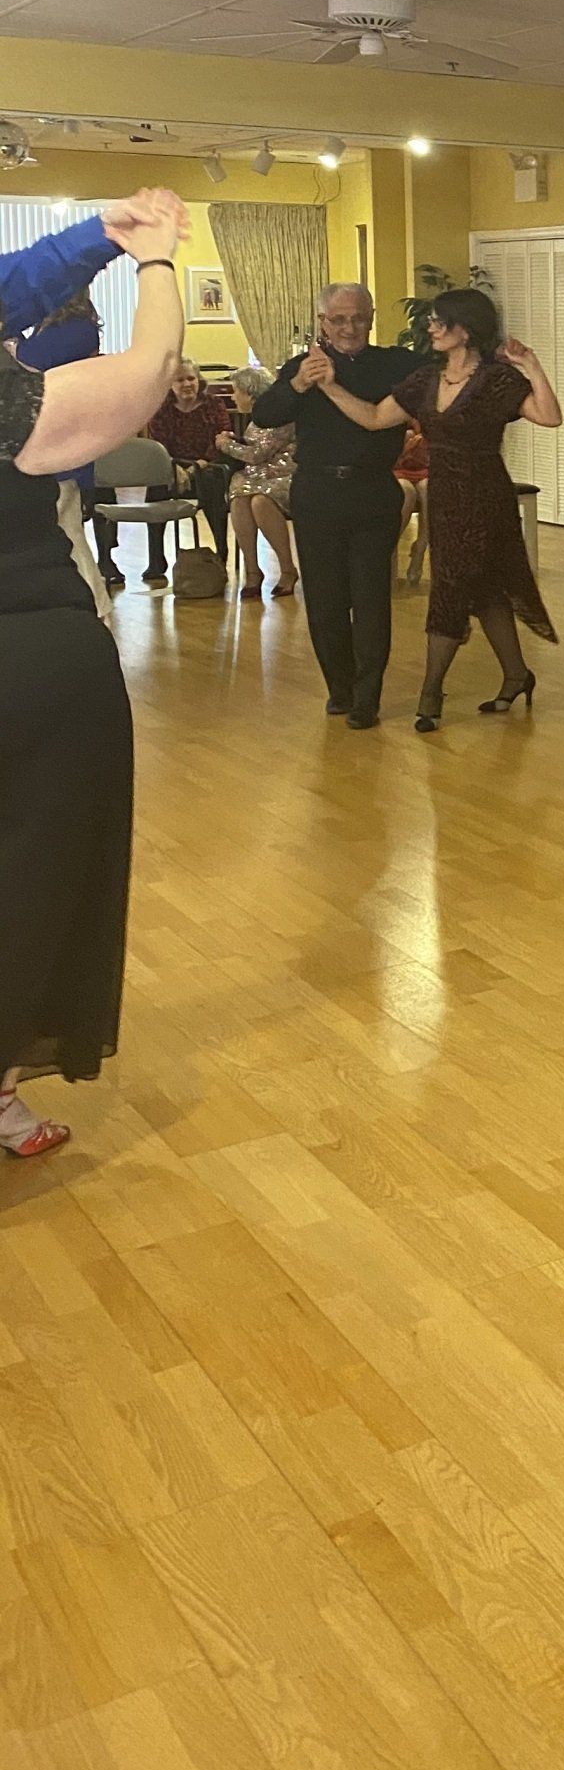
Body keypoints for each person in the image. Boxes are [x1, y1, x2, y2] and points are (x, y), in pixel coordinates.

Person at [0, 194, 187, 1159]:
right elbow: (151, 368)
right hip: (31, 661)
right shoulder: (19, 412)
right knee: (34, 878)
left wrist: (98, 237)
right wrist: (153, 260)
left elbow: (15, 284)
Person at [305, 290, 561, 732]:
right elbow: (373, 418)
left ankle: (430, 694)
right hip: (444, 498)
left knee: (451, 588)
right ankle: (517, 675)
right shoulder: (425, 379)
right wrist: (329, 385)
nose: (432, 328)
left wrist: (532, 367)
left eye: (441, 322)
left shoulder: (497, 379)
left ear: (466, 329)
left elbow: (549, 416)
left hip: (485, 498)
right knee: (486, 590)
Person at [254, 284, 420, 727]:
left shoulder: (394, 364)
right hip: (318, 491)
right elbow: (265, 414)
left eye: (358, 318)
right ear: (322, 323)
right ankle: (340, 689)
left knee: (370, 598)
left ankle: (368, 697)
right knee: (324, 600)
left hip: (373, 490)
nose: (349, 328)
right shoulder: (303, 366)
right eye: (339, 319)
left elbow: (429, 383)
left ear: (371, 318)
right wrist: (297, 384)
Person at [15, 287, 111, 614]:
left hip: (63, 443)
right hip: (51, 440)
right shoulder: (51, 327)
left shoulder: (76, 329)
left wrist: (11, 338)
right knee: (61, 532)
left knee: (68, 533)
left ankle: (96, 607)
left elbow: (29, 361)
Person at [143, 358, 230, 583]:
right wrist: (174, 468)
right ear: (170, 384)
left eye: (191, 378)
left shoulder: (213, 404)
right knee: (156, 487)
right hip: (172, 467)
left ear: (199, 379)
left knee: (210, 483)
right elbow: (159, 445)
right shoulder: (161, 409)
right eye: (179, 380)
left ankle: (221, 554)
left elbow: (222, 438)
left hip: (207, 466)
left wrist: (196, 466)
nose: (187, 384)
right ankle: (156, 560)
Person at [217, 368, 297, 600]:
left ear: (251, 394)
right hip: (258, 476)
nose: (233, 397)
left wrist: (226, 444)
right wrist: (236, 440)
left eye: (236, 391)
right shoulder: (257, 419)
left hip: (284, 476)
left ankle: (287, 569)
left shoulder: (280, 417)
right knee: (240, 500)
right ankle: (252, 571)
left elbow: (257, 454)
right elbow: (255, 448)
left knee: (261, 502)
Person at [394, 419, 430, 585]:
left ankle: (420, 547)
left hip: (424, 468)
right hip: (397, 468)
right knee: (407, 493)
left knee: (429, 490)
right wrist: (406, 446)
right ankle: (391, 544)